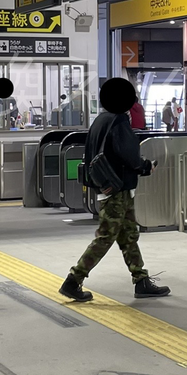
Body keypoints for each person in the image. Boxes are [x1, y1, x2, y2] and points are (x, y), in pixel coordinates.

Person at [59, 77, 170, 302]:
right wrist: (145, 166)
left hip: (108, 185)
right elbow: (129, 155)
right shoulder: (118, 121)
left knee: (128, 235)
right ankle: (73, 280)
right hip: (117, 189)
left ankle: (141, 280)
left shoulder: (100, 120)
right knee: (106, 236)